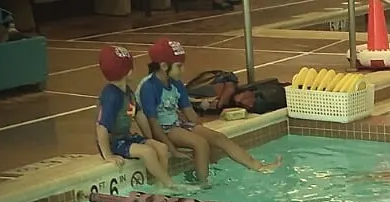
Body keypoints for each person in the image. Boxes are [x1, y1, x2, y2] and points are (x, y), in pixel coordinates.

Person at [136, 37, 282, 186]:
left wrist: (203, 131)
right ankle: (203, 185)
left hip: (177, 124)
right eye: (179, 66)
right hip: (163, 130)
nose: (183, 70)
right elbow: (153, 123)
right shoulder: (149, 87)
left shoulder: (176, 83)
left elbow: (189, 112)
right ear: (163, 66)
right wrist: (172, 149)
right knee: (200, 144)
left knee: (219, 138)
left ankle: (258, 166)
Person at [96, 45, 180, 191]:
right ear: (128, 72)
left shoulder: (127, 91)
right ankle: (171, 184)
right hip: (114, 142)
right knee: (147, 152)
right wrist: (108, 155)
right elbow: (101, 126)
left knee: (161, 147)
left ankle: (161, 185)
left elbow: (139, 115)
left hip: (126, 137)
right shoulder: (111, 95)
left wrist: (149, 139)